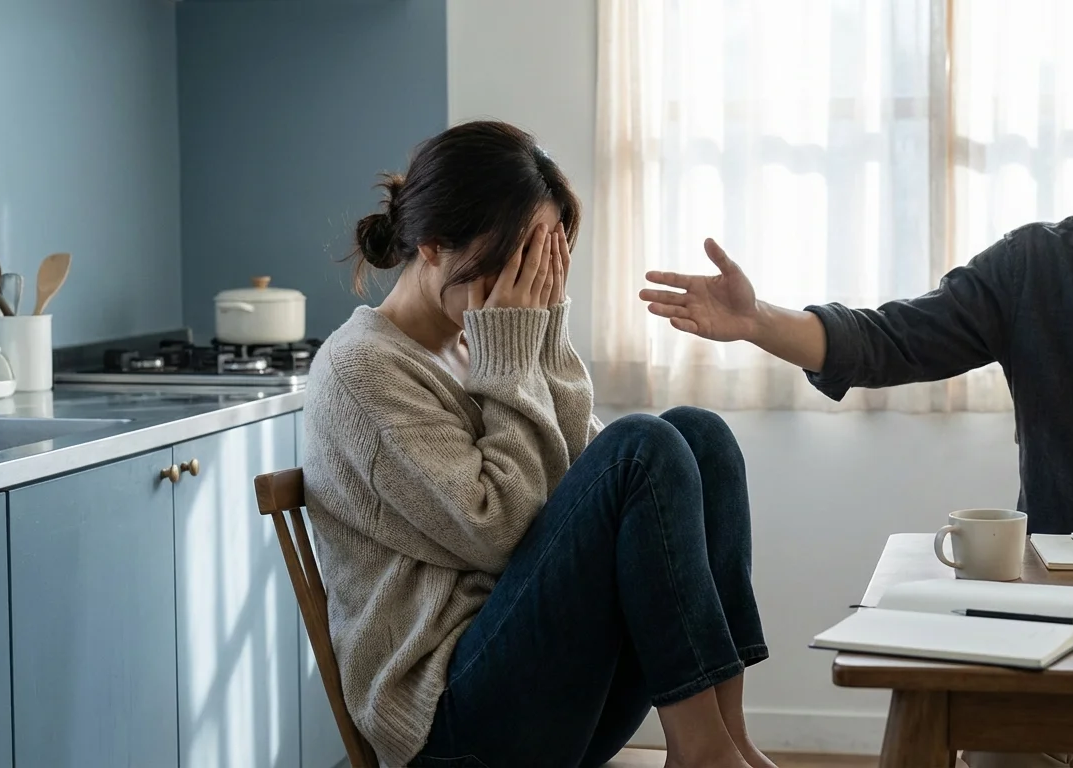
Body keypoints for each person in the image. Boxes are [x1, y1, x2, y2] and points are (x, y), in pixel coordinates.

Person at [641, 28, 1073, 768]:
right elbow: (891, 341)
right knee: (982, 746)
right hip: (1056, 609)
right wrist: (758, 322)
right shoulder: (1036, 267)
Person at [303, 121, 775, 768]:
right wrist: (514, 356)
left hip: (552, 694)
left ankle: (727, 738)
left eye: (540, 261)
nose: (522, 287)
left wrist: (544, 340)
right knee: (642, 447)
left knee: (699, 437)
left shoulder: (489, 344)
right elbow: (499, 534)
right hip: (450, 724)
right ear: (435, 246)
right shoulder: (362, 369)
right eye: (510, 260)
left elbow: (579, 489)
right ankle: (701, 755)